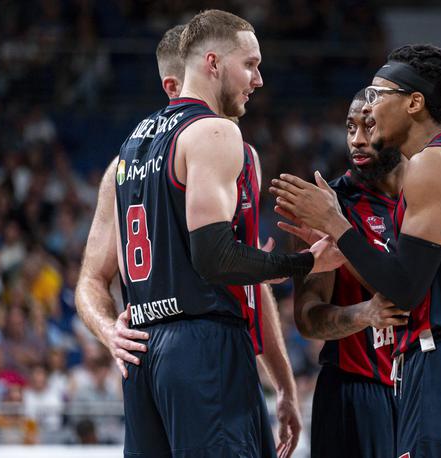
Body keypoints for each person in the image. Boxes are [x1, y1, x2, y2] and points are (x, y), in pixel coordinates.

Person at [77, 14, 338, 456]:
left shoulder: (125, 156)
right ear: (213, 63)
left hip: (144, 356)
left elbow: (89, 280)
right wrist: (303, 263)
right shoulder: (218, 134)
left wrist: (109, 332)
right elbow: (218, 259)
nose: (258, 80)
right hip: (204, 346)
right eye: (250, 65)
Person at [270, 44, 441, 457]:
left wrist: (336, 225)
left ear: (415, 103)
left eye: (379, 95)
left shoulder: (432, 163)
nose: (371, 107)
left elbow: (404, 288)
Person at [283, 89, 406, 458]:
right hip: (356, 392)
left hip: (419, 387)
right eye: (350, 127)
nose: (357, 140)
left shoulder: (428, 201)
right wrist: (362, 314)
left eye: (370, 126)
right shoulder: (325, 206)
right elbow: (307, 317)